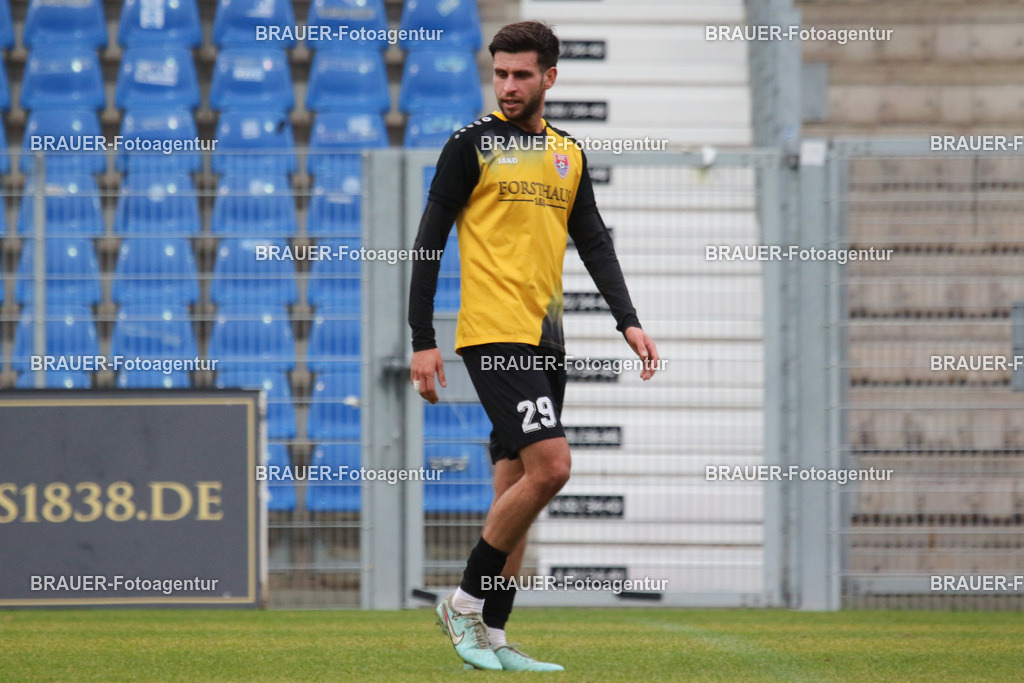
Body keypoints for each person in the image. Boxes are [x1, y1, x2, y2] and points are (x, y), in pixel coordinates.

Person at [408, 20, 659, 672]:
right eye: (501, 74)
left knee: (515, 484)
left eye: (523, 75)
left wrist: (626, 319)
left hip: (547, 341)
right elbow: (429, 240)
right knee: (553, 468)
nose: (510, 86)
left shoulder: (567, 154)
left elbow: (595, 239)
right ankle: (462, 601)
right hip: (495, 337)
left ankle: (493, 633)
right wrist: (422, 339)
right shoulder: (471, 145)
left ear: (551, 77)